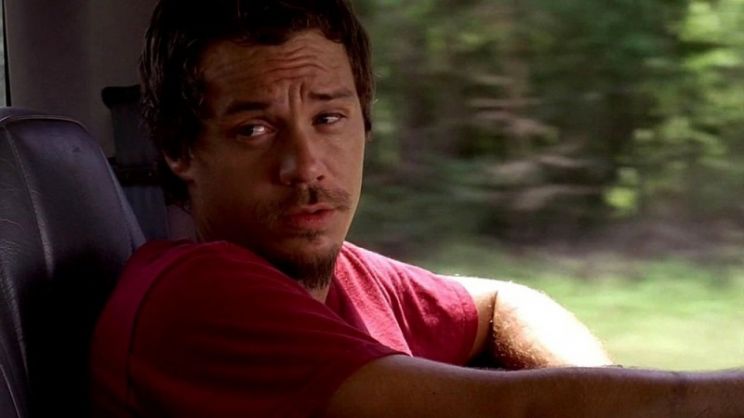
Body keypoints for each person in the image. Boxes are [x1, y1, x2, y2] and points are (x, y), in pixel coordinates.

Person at [90, 0, 744, 417]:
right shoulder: (197, 293)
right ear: (180, 150)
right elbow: (512, 412)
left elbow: (502, 303)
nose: (306, 165)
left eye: (329, 118)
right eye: (254, 129)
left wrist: (603, 383)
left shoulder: (349, 278)